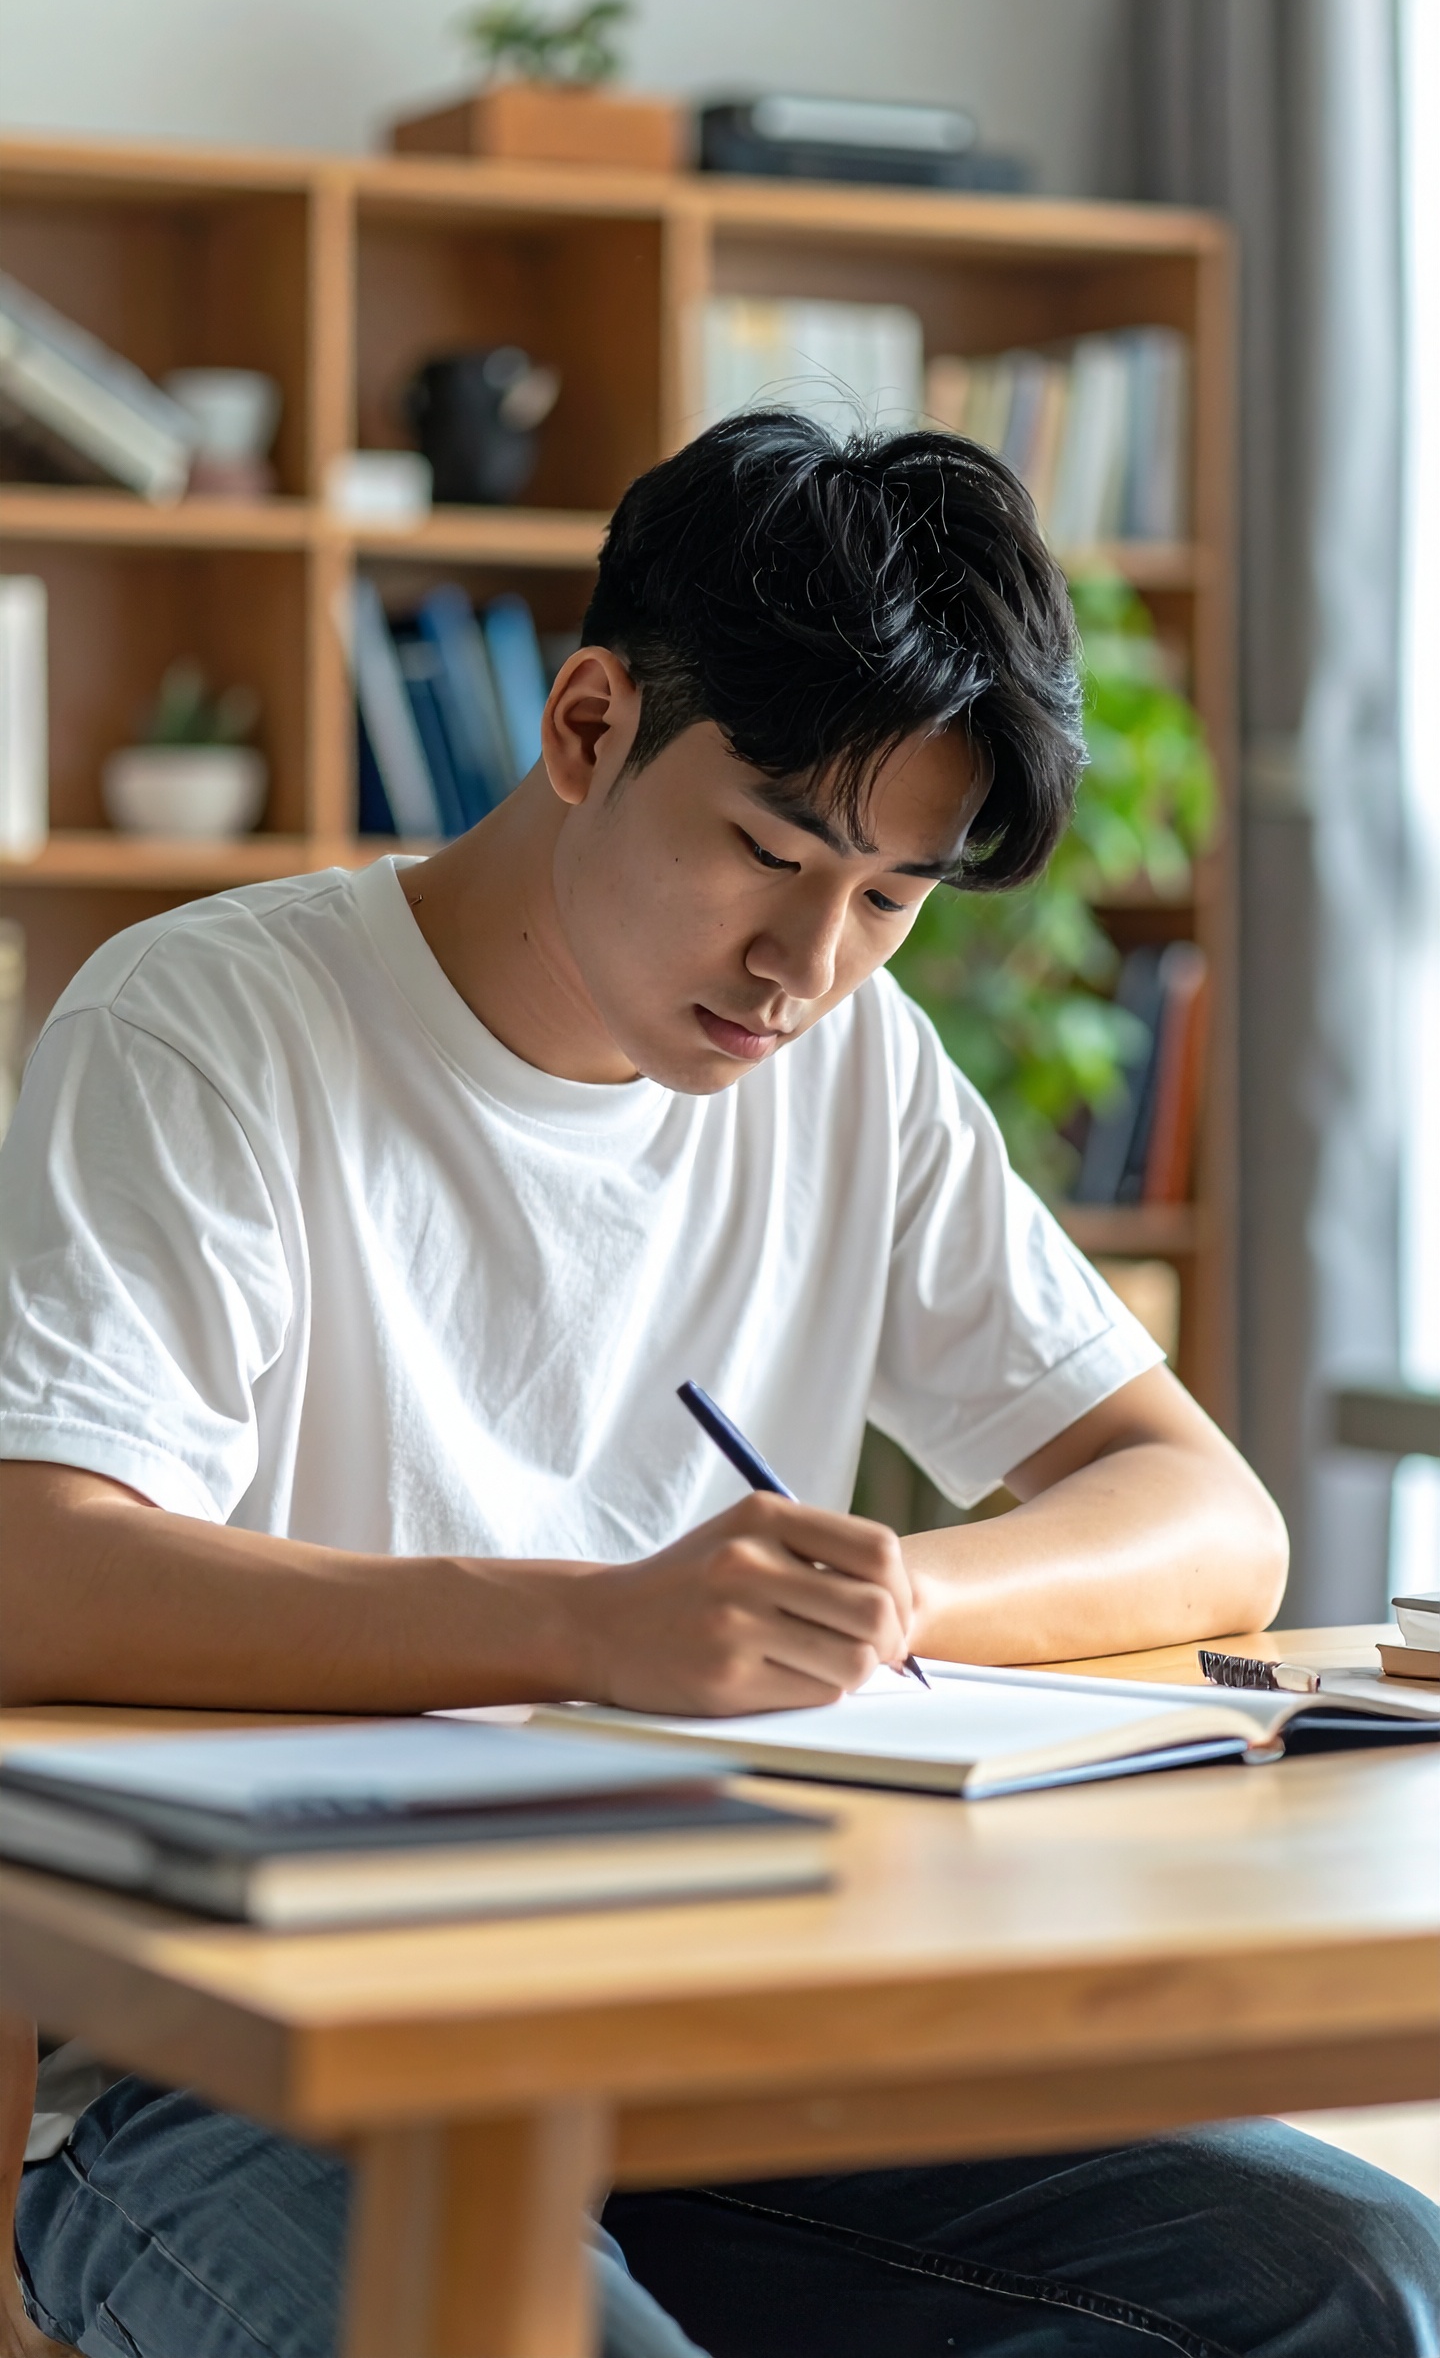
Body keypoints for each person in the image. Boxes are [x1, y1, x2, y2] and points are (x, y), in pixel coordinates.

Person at [1, 413, 1433, 2357]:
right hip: (235, 2057)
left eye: (889, 898)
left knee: (1357, 2274)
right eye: (769, 852)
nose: (803, 966)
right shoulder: (214, 1023)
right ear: (587, 724)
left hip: (714, 2012)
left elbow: (1204, 1512)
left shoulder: (850, 1065)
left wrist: (877, 1604)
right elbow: (42, 1565)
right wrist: (605, 1626)